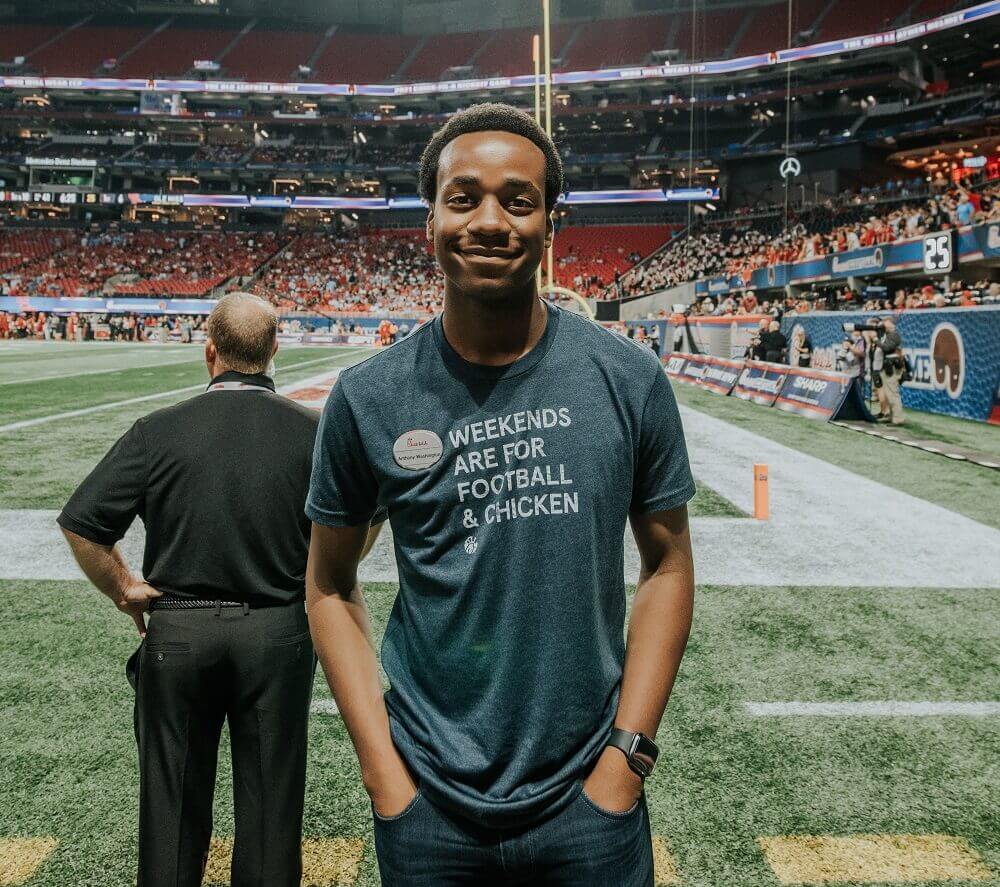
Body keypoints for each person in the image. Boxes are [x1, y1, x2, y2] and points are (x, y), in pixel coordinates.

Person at [306, 102, 696, 886]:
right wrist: (385, 775)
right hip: (427, 805)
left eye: (518, 200)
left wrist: (627, 759)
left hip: (591, 799)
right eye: (464, 197)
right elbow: (326, 586)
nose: (490, 220)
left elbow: (669, 567)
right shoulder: (367, 397)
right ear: (430, 222)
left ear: (553, 223)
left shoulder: (628, 380)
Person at [57, 293, 380, 887]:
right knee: (270, 814)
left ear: (209, 352)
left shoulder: (157, 430)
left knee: (171, 814)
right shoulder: (315, 431)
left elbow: (82, 523)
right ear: (274, 350)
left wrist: (124, 588)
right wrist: (330, 567)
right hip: (279, 633)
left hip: (179, 631)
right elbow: (369, 515)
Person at [873, 316, 906, 425]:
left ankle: (898, 419)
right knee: (888, 393)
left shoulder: (894, 335)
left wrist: (876, 340)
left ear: (890, 323)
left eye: (885, 322)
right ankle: (893, 417)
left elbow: (887, 348)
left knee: (892, 393)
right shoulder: (887, 335)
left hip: (892, 367)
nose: (883, 324)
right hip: (886, 367)